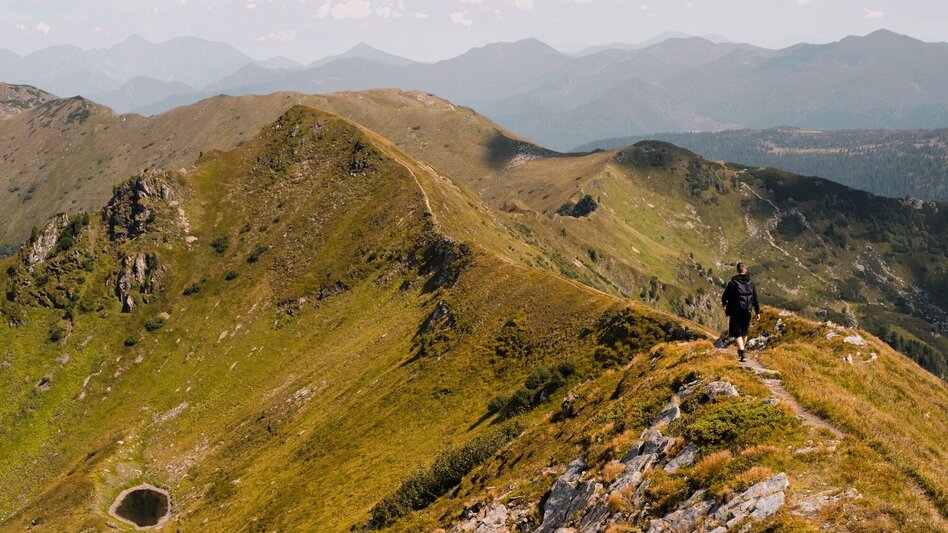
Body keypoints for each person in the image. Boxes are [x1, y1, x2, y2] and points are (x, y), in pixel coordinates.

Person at [721, 262, 760, 362]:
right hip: (748, 310)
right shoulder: (751, 283)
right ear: (745, 270)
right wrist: (757, 312)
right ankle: (742, 350)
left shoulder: (733, 283)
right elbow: (755, 298)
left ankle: (742, 352)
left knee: (736, 333)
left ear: (737, 271)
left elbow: (725, 296)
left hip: (736, 311)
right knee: (744, 332)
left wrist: (724, 304)